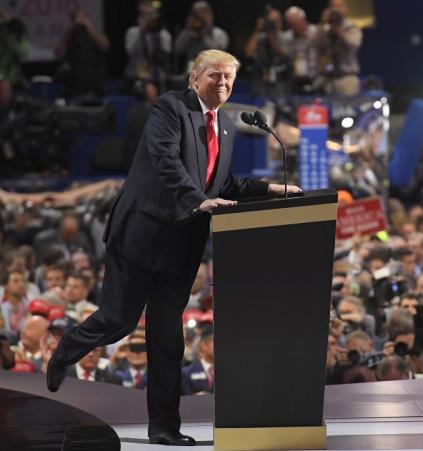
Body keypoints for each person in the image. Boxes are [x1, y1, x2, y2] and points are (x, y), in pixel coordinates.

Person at [46, 49, 301, 446]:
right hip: (141, 235)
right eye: (215, 75)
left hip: (182, 246)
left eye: (229, 77)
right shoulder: (170, 109)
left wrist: (272, 189)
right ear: (194, 78)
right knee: (119, 320)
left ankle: (164, 428)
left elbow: (223, 185)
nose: (223, 83)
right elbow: (166, 163)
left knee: (167, 337)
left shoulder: (228, 127)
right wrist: (196, 199)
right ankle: (67, 347)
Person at [54, 7, 109, 98]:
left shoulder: (96, 33)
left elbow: (105, 46)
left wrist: (90, 28)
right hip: (74, 85)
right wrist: (66, 35)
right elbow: (58, 54)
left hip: (94, 85)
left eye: (84, 18)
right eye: (79, 18)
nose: (82, 21)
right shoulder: (70, 36)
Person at [174, 1, 229, 74]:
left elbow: (217, 53)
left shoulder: (219, 34)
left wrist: (204, 31)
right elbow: (178, 49)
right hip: (191, 76)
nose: (199, 18)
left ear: (210, 15)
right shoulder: (190, 33)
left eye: (203, 13)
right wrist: (187, 30)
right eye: (196, 14)